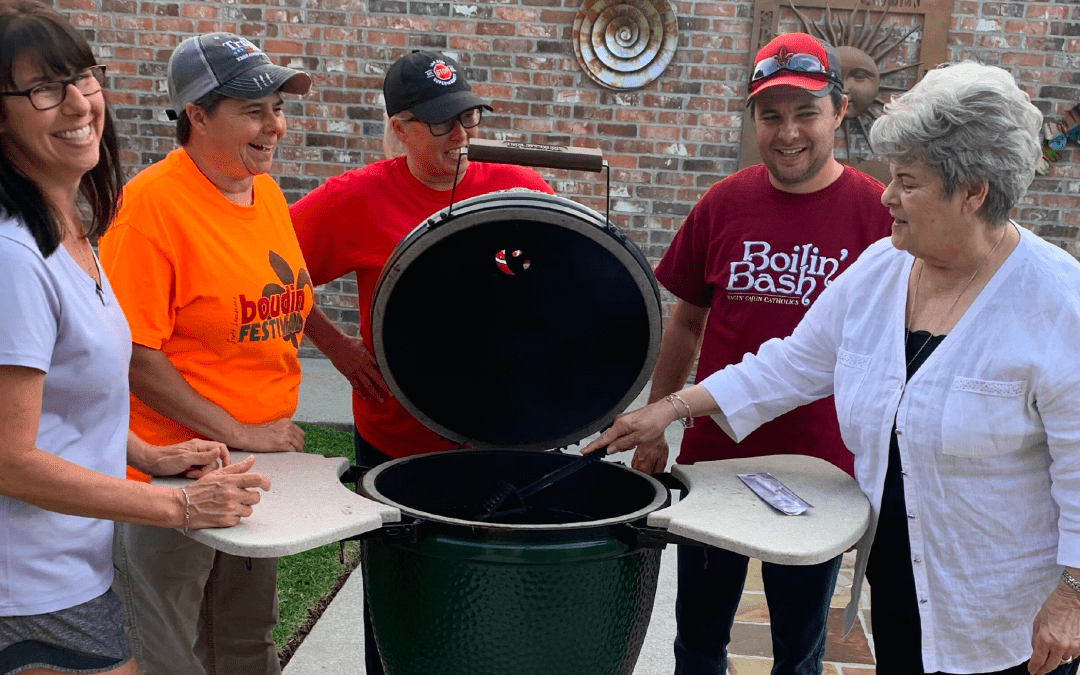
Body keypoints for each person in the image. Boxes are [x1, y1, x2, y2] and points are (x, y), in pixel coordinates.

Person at [586, 61, 1080, 675]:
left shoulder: (1059, 303)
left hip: (1007, 620)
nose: (887, 196)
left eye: (907, 181)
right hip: (900, 589)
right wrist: (671, 407)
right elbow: (792, 364)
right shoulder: (883, 269)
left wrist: (1073, 595)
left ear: (973, 190)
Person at [0, 5, 269, 675]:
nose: (77, 102)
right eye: (42, 87)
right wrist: (177, 504)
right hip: (30, 582)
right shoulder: (12, 254)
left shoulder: (68, 234)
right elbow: (9, 457)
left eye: (82, 76)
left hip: (77, 562)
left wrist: (151, 451)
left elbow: (65, 392)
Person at [622, 32, 892, 675]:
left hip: (820, 467)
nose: (788, 132)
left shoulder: (877, 215)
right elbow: (687, 322)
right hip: (716, 459)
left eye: (806, 113)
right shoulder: (724, 203)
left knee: (798, 647)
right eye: (771, 115)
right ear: (754, 120)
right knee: (699, 636)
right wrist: (660, 420)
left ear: (839, 113)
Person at [289, 49, 553, 674]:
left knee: (489, 602)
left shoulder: (517, 188)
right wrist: (333, 344)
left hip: (502, 437)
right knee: (399, 600)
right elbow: (266, 270)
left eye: (468, 118)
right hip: (395, 437)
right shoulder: (354, 199)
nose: (460, 137)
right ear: (399, 126)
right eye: (441, 124)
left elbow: (568, 278)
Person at [97, 32, 313, 675]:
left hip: (254, 464)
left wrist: (339, 349)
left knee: (246, 641)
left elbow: (286, 294)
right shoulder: (150, 209)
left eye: (278, 106)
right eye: (253, 109)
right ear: (196, 115)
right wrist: (243, 430)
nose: (274, 124)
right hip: (169, 471)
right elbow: (134, 354)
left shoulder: (264, 192)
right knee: (170, 653)